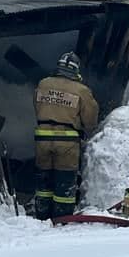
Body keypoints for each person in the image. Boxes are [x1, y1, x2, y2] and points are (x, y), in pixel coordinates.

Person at [32, 52, 98, 220]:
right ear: (76, 70)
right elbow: (90, 119)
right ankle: (61, 219)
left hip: (42, 139)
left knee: (44, 180)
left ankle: (42, 216)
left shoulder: (43, 84)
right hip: (67, 142)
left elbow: (37, 107)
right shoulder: (81, 90)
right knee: (64, 182)